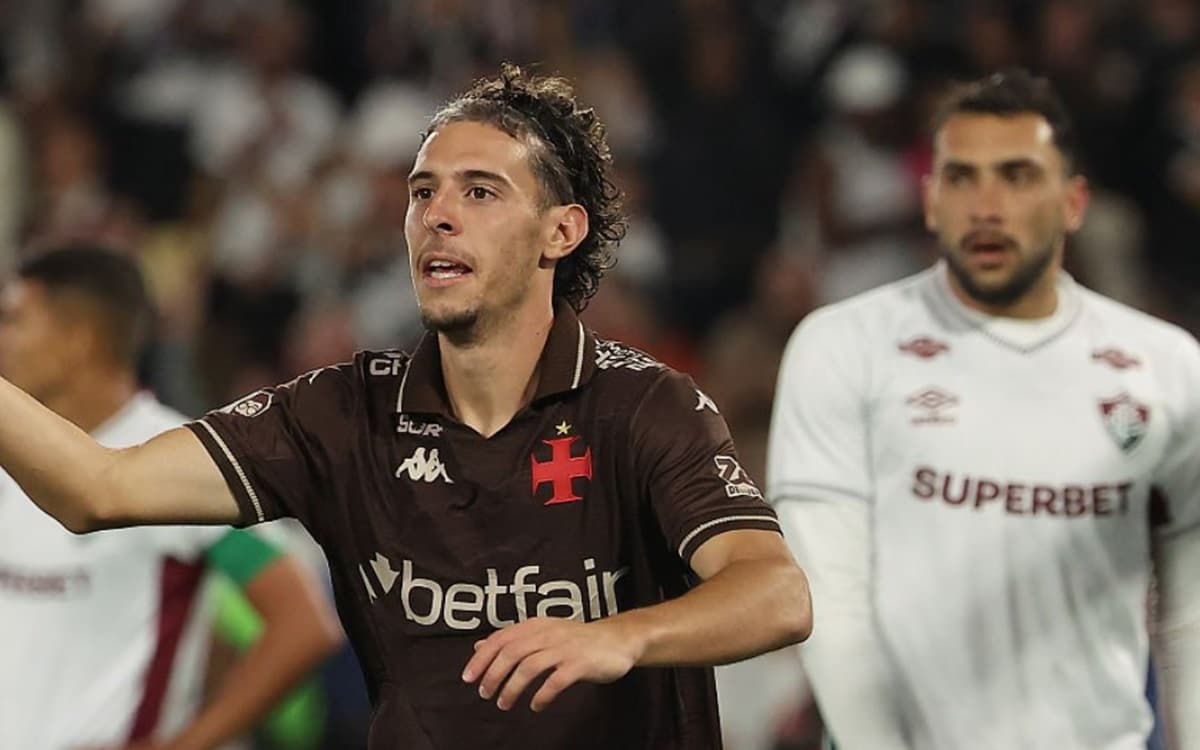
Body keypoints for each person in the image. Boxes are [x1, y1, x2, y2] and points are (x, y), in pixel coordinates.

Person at [0, 65, 812, 749]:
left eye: (481, 191)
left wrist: (622, 635)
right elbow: (97, 489)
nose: (438, 215)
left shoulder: (642, 406)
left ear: (559, 232)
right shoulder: (343, 412)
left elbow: (775, 594)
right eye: (423, 192)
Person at [767, 68, 1200, 750]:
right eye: (962, 179)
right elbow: (831, 600)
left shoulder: (1167, 367)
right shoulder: (846, 345)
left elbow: (1191, 612)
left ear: (1074, 201)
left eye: (1018, 175)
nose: (986, 205)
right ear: (932, 200)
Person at [0, 245, 344, 750]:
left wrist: (189, 744)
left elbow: (306, 626)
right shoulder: (12, 452)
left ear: (79, 339)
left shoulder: (181, 460)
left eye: (12, 320)